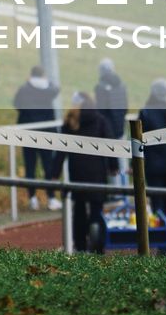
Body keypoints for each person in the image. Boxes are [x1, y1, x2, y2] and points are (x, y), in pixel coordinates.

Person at [62, 92, 118, 252]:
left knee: (78, 208)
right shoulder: (100, 120)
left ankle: (79, 245)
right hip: (96, 173)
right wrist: (113, 167)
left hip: (77, 172)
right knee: (97, 209)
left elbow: (60, 149)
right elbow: (110, 144)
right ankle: (98, 244)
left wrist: (53, 172)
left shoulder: (70, 122)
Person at [136, 79, 166, 250]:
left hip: (152, 167)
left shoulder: (145, 112)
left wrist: (133, 163)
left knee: (157, 205)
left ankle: (161, 243)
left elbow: (137, 141)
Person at [13, 65, 62, 209]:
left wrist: (28, 82)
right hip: (47, 133)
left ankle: (32, 198)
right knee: (48, 165)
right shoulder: (49, 90)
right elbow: (56, 89)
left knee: (30, 166)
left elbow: (16, 104)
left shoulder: (25, 89)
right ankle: (51, 198)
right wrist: (49, 81)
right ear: (43, 76)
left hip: (28, 132)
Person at [94, 59, 128, 138]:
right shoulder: (122, 87)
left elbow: (100, 111)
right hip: (120, 130)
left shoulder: (100, 88)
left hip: (107, 133)